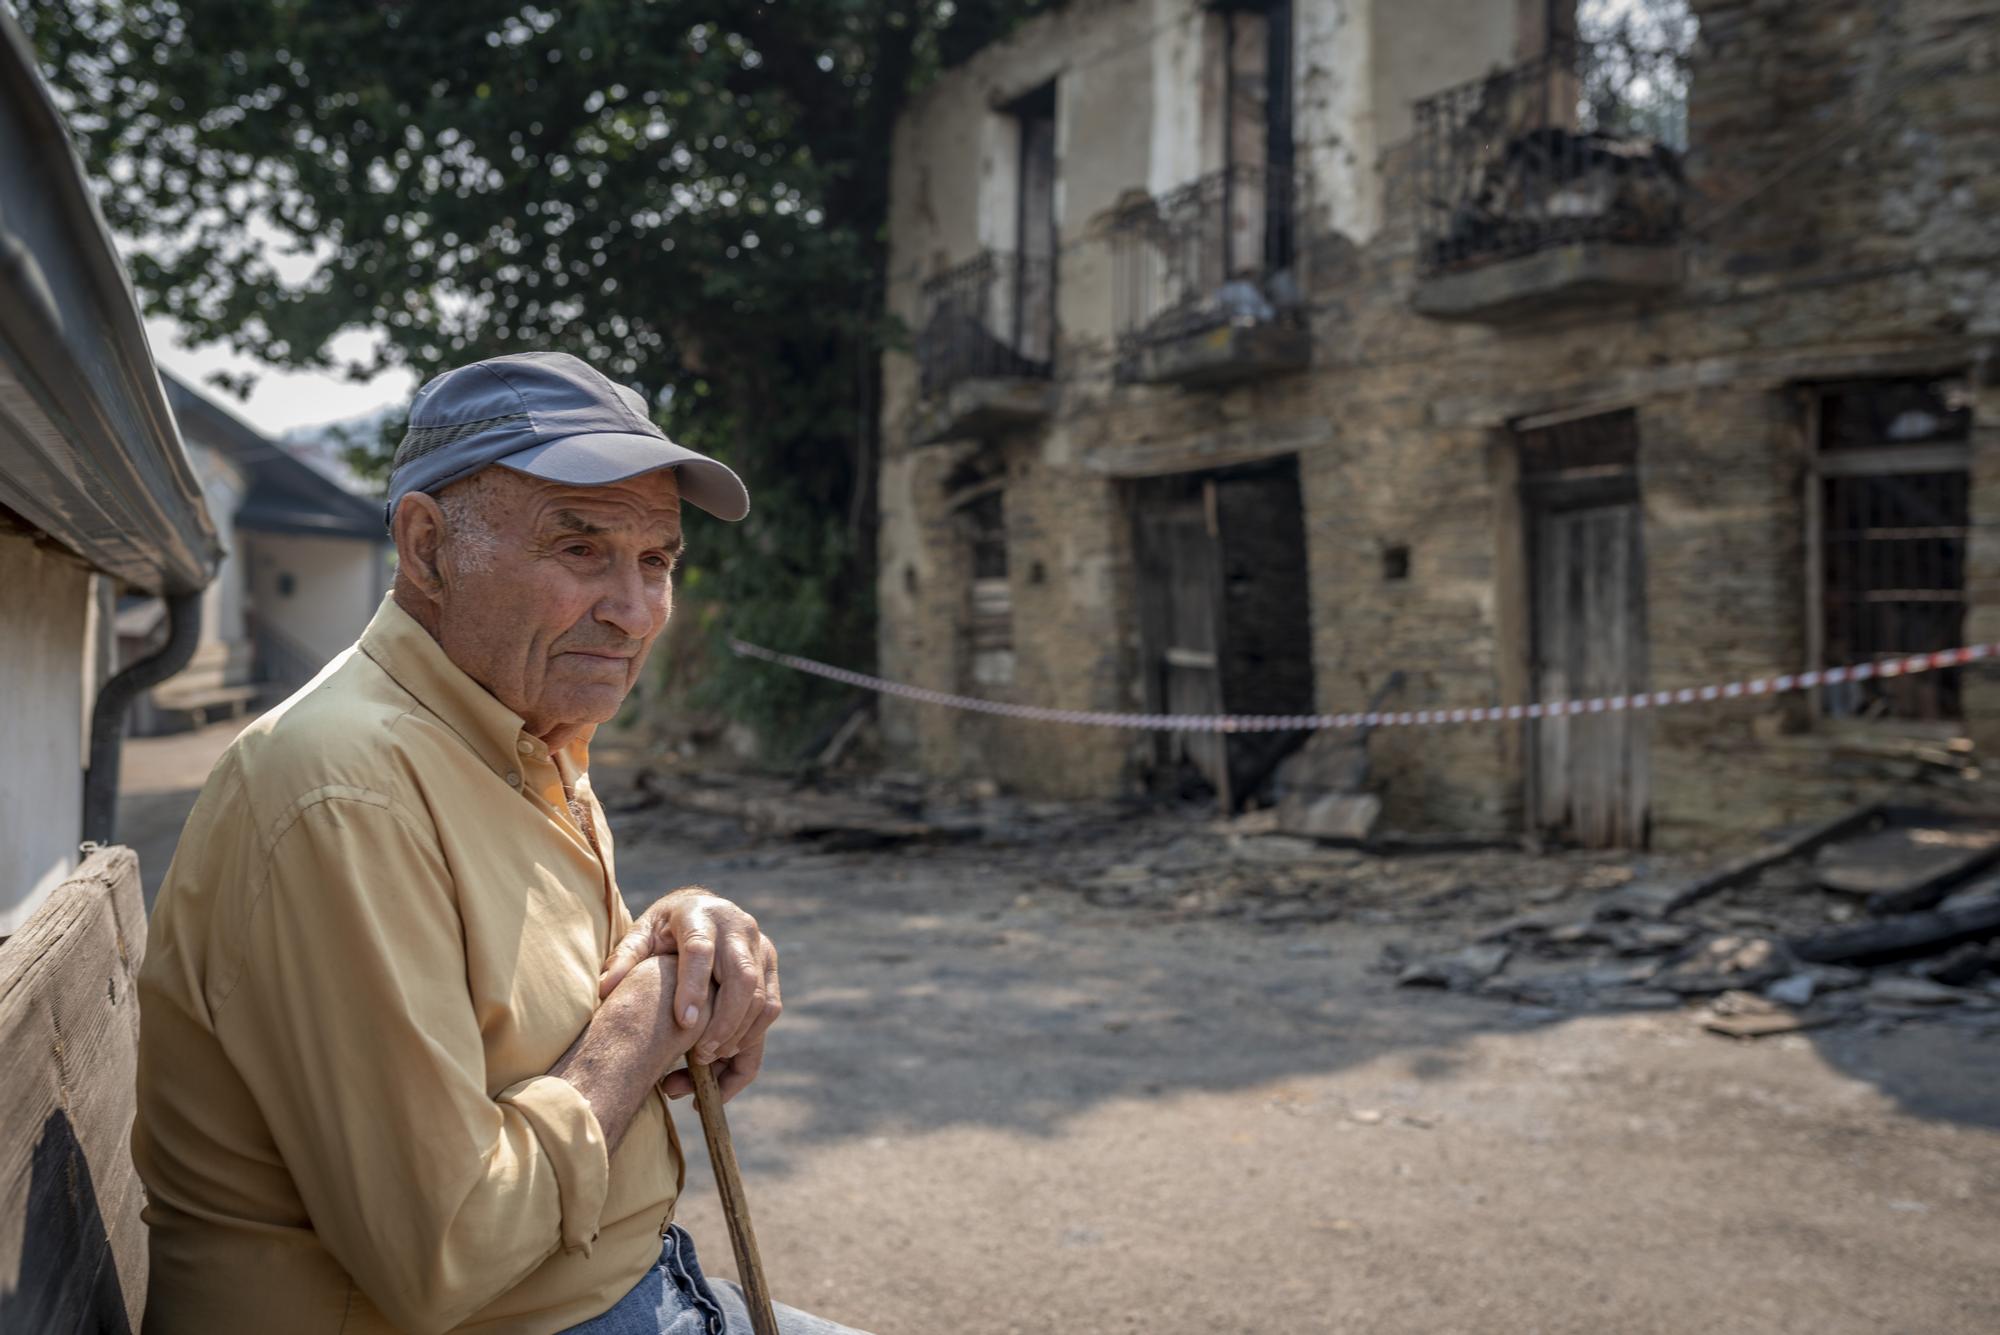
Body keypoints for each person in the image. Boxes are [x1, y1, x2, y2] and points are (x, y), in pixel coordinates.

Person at [134, 352, 869, 1335]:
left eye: (657, 561)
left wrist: (685, 929)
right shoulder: (341, 791)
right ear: (427, 547)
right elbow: (446, 1252)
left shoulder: (517, 731)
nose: (636, 610)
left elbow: (539, 1008)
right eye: (580, 549)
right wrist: (653, 1013)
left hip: (625, 1289)